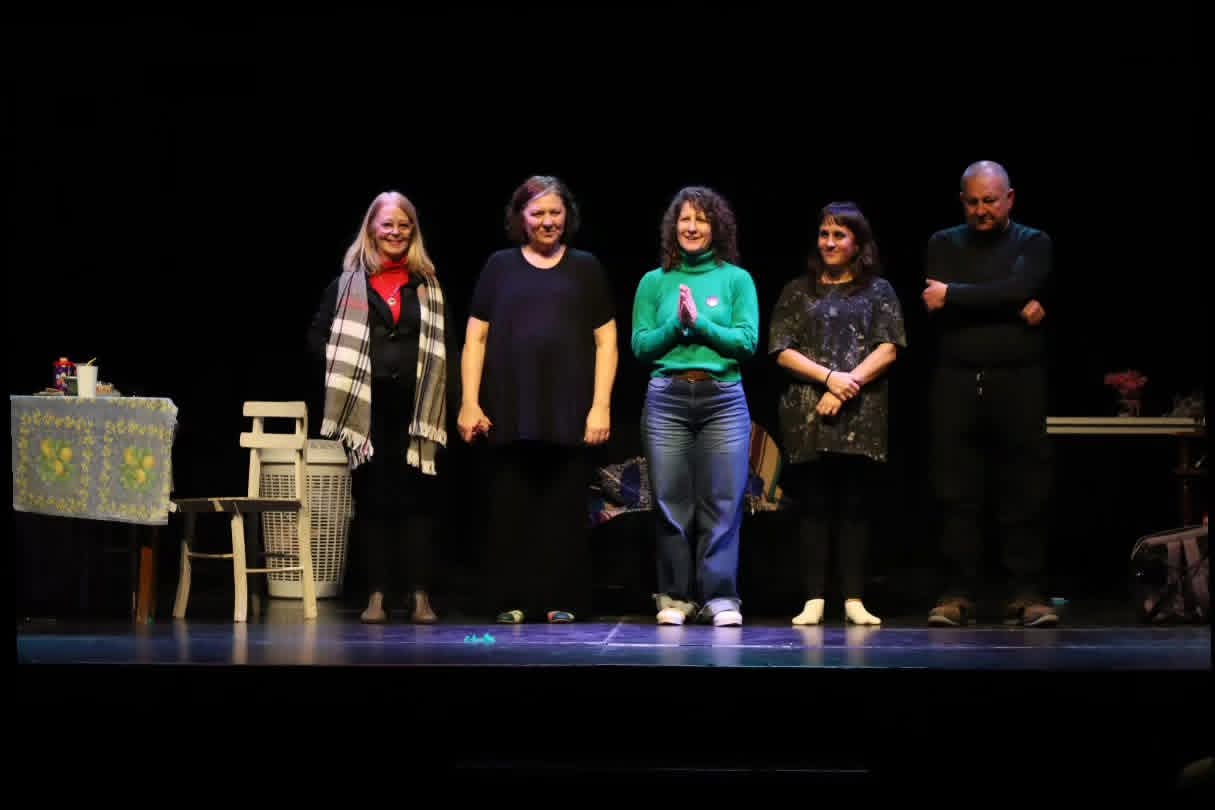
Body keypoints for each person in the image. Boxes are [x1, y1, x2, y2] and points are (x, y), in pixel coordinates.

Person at [459, 175, 617, 624]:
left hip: (569, 409)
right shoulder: (499, 266)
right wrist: (469, 402)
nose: (548, 221)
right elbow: (476, 339)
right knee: (510, 506)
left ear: (567, 216)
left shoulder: (585, 267)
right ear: (521, 218)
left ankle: (561, 598)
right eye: (538, 213)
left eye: (555, 212)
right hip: (509, 407)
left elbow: (606, 341)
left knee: (563, 507)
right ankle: (511, 599)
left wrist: (600, 406)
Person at [921, 160, 1056, 627]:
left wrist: (955, 295)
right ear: (963, 202)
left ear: (1009, 199)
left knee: (1024, 490)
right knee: (957, 493)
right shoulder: (943, 243)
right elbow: (943, 301)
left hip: (1019, 381)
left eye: (991, 201)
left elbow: (1022, 285)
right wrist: (1007, 301)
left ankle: (1027, 592)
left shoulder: (1033, 242)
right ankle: (958, 592)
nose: (982, 210)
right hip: (956, 382)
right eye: (973, 202)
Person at [309, 191, 451, 624]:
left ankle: (420, 595)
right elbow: (317, 337)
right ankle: (376, 594)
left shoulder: (427, 285)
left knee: (419, 502)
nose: (395, 232)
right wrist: (347, 373)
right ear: (371, 228)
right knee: (373, 501)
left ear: (413, 231)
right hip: (365, 416)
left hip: (417, 413)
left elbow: (447, 345)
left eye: (404, 225)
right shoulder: (347, 284)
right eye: (387, 224)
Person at [769, 201, 907, 626]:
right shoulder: (798, 290)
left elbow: (889, 348)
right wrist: (830, 379)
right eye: (824, 234)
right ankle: (813, 598)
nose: (829, 243)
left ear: (858, 244)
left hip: (860, 414)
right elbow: (781, 349)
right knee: (813, 504)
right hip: (807, 412)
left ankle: (853, 599)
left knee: (854, 505)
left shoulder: (879, 291)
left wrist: (847, 387)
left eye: (839, 235)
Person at [631, 186, 759, 627]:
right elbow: (642, 346)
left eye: (701, 219)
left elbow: (746, 342)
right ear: (673, 226)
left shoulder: (736, 280)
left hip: (722, 398)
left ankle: (720, 597)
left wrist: (699, 323)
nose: (691, 227)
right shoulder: (654, 281)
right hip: (667, 398)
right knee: (671, 501)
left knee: (723, 501)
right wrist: (677, 324)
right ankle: (676, 595)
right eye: (685, 219)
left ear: (716, 227)